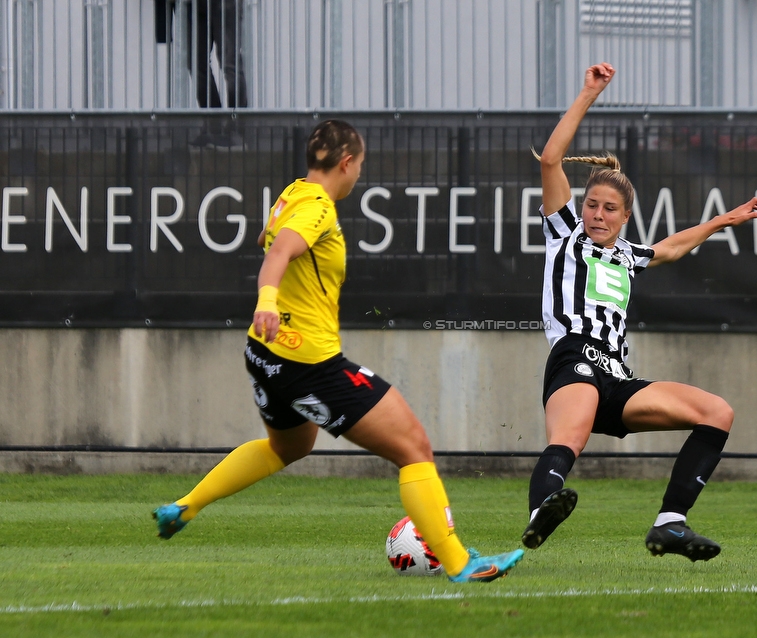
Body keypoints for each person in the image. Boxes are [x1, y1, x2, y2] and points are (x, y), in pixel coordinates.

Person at [153, 120, 524, 583]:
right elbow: (277, 253)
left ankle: (185, 507)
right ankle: (459, 563)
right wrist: (269, 298)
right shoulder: (318, 208)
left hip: (264, 353)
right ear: (346, 163)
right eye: (360, 165)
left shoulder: (291, 193)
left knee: (287, 447)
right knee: (414, 447)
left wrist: (281, 295)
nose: (359, 174)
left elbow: (268, 242)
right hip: (308, 362)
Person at [521, 63, 757, 561]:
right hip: (575, 359)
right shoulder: (564, 232)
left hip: (618, 375)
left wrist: (724, 220)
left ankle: (670, 524)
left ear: (625, 217)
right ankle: (541, 510)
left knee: (716, 412)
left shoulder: (629, 253)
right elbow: (550, 161)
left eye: (609, 209)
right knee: (572, 435)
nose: (597, 214)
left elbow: (671, 249)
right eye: (592, 204)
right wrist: (589, 93)